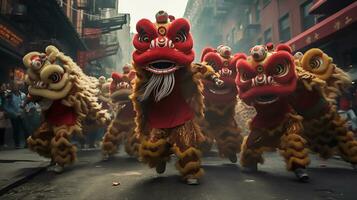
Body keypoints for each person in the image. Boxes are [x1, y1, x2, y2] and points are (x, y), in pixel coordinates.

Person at [2, 83, 28, 148]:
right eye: (14, 86)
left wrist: (25, 111)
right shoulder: (9, 96)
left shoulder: (23, 95)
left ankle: (27, 144)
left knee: (26, 129)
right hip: (14, 115)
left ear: (19, 87)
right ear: (12, 87)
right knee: (16, 130)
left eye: (16, 86)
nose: (15, 87)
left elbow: (26, 104)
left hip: (23, 115)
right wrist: (13, 113)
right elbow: (5, 106)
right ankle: (17, 144)